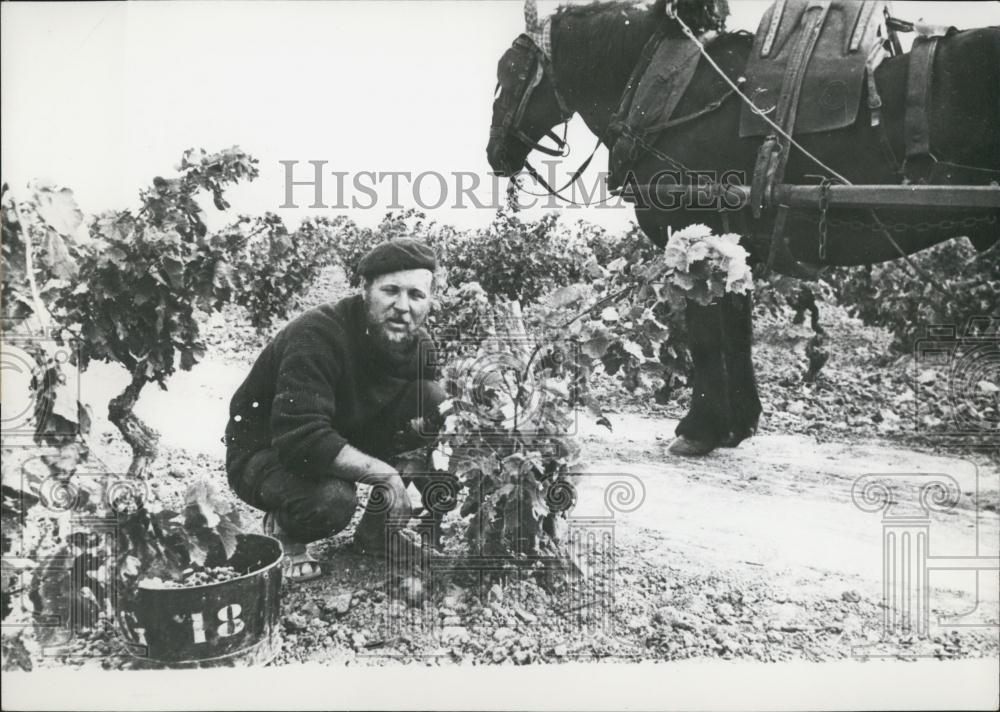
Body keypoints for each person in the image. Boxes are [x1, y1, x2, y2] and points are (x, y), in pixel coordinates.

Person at [224, 238, 448, 582]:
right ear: (364, 289)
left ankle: (376, 534)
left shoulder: (420, 348)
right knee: (332, 501)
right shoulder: (317, 335)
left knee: (432, 402)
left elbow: (433, 428)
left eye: (416, 295)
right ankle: (285, 531)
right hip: (269, 454)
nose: (403, 306)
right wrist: (386, 475)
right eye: (390, 290)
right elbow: (302, 439)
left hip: (340, 434)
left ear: (429, 301)